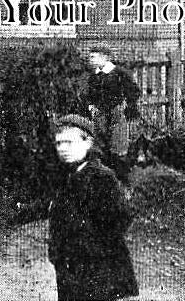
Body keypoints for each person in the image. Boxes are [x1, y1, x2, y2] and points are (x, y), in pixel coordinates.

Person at [48, 114, 138, 301]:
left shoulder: (102, 178)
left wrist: (93, 248)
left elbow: (121, 218)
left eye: (69, 142)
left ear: (87, 143)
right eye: (59, 143)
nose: (63, 148)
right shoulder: (65, 176)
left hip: (96, 267)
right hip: (68, 265)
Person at [85, 47, 141, 184]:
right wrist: (91, 105)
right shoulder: (94, 76)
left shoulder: (119, 73)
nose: (90, 60)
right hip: (100, 115)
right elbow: (90, 95)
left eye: (94, 57)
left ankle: (123, 181)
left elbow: (134, 91)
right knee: (101, 147)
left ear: (104, 57)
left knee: (118, 146)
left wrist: (127, 106)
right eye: (90, 57)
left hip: (117, 113)